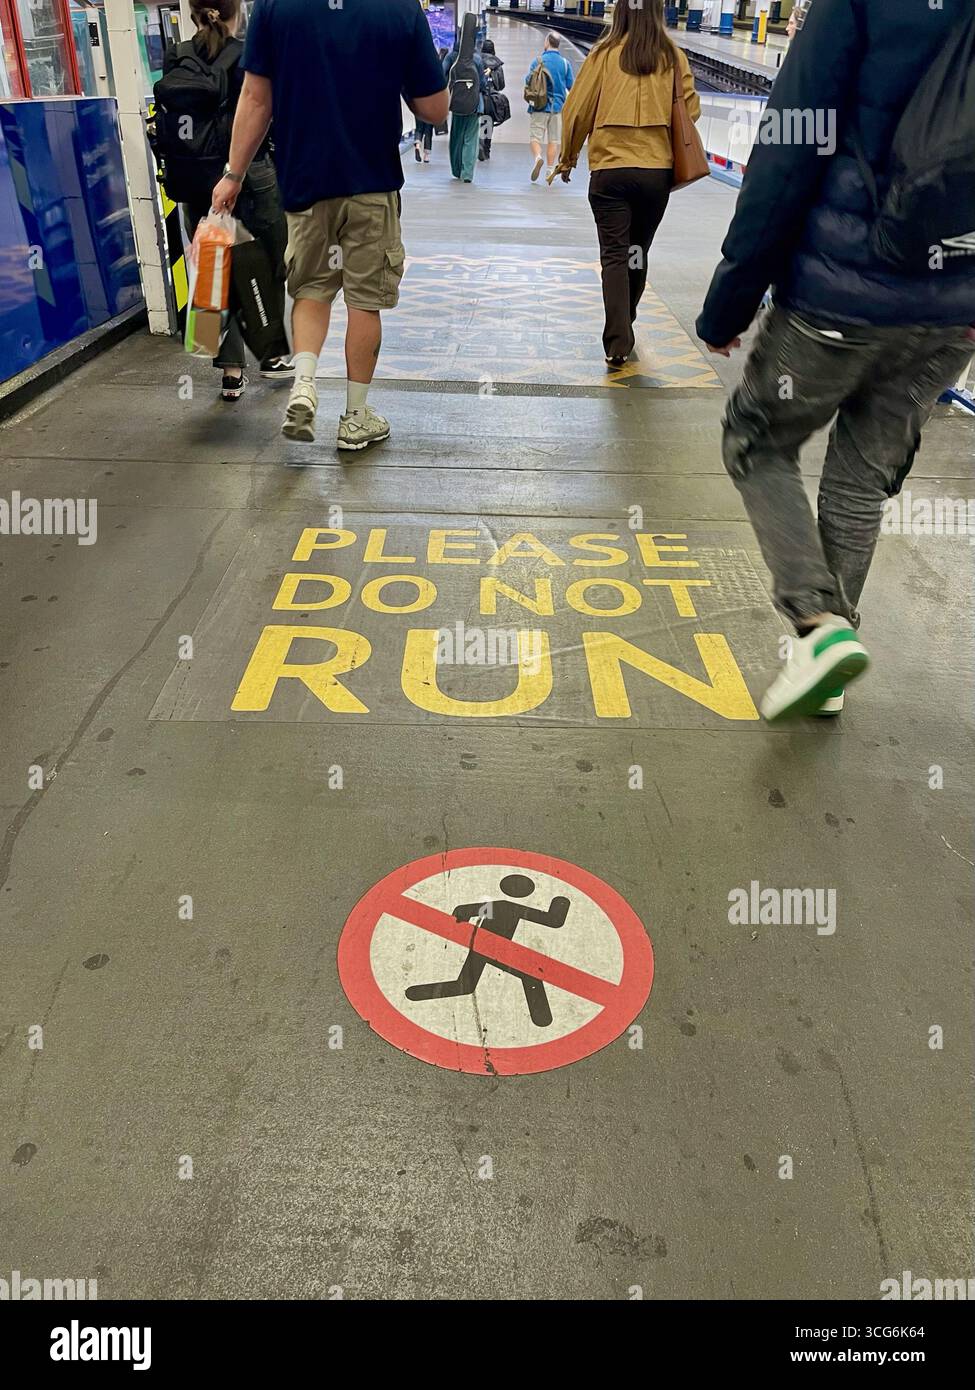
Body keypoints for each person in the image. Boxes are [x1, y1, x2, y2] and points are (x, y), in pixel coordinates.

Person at [696, 0, 975, 721]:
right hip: (950, 314)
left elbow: (789, 149)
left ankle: (819, 630)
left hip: (840, 297)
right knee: (857, 481)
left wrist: (730, 301)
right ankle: (821, 668)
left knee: (756, 438)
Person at [211, 0, 448, 451]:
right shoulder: (398, 9)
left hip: (305, 182)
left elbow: (257, 99)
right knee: (364, 301)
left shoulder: (274, 7)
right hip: (372, 182)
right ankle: (356, 417)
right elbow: (435, 110)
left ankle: (304, 383)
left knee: (311, 291)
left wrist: (234, 175)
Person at [161, 0, 292, 402]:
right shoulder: (251, 53)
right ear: (238, 10)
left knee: (215, 268)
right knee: (266, 264)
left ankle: (232, 372)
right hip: (250, 175)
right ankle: (271, 356)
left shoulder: (175, 56)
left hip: (195, 178)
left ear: (194, 11)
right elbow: (270, 112)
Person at [556, 0, 700, 368]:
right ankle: (627, 321)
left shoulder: (603, 54)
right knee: (637, 250)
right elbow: (691, 110)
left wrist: (568, 157)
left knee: (614, 255)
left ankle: (618, 339)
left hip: (610, 172)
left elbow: (578, 109)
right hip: (655, 174)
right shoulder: (672, 57)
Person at [525, 33, 574, 183]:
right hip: (558, 108)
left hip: (539, 106)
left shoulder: (538, 61)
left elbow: (528, 80)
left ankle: (538, 158)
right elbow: (570, 85)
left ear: (547, 42)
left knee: (535, 138)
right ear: (558, 44)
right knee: (553, 140)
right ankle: (549, 170)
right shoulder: (565, 63)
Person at [443, 32, 487, 183]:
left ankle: (456, 169)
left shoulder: (451, 57)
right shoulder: (476, 59)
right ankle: (467, 173)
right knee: (471, 138)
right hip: (474, 104)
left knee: (456, 137)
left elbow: (443, 75)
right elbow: (482, 84)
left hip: (456, 103)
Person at [478, 37, 505, 162]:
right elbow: (501, 85)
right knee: (488, 122)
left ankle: (479, 144)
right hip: (491, 98)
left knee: (477, 122)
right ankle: (486, 149)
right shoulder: (497, 65)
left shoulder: (477, 60)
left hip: (478, 97)